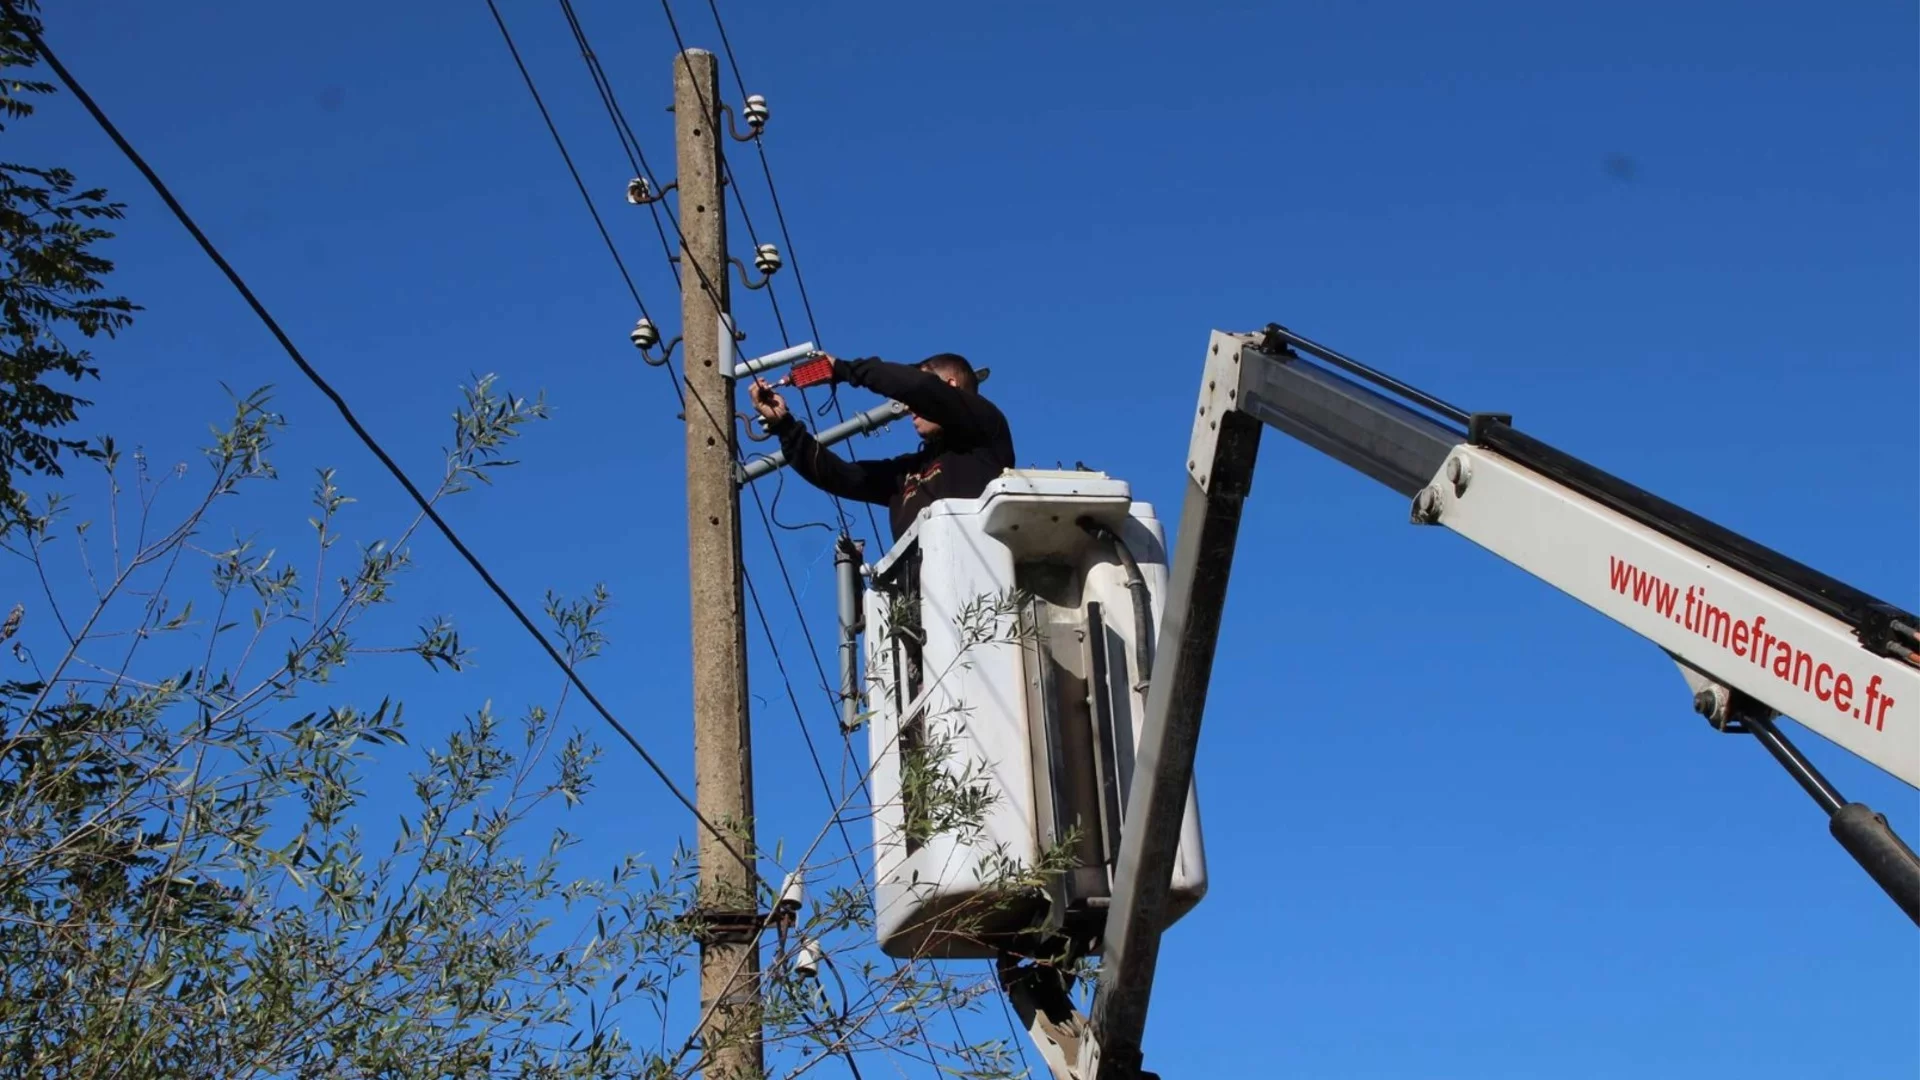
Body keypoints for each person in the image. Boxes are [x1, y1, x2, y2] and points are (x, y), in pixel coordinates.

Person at [749, 353, 1015, 542]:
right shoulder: (908, 473)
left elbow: (918, 386)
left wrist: (843, 369)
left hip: (980, 591)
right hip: (923, 601)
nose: (909, 407)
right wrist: (784, 426)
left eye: (915, 400)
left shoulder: (984, 429)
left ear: (950, 387)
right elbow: (841, 476)